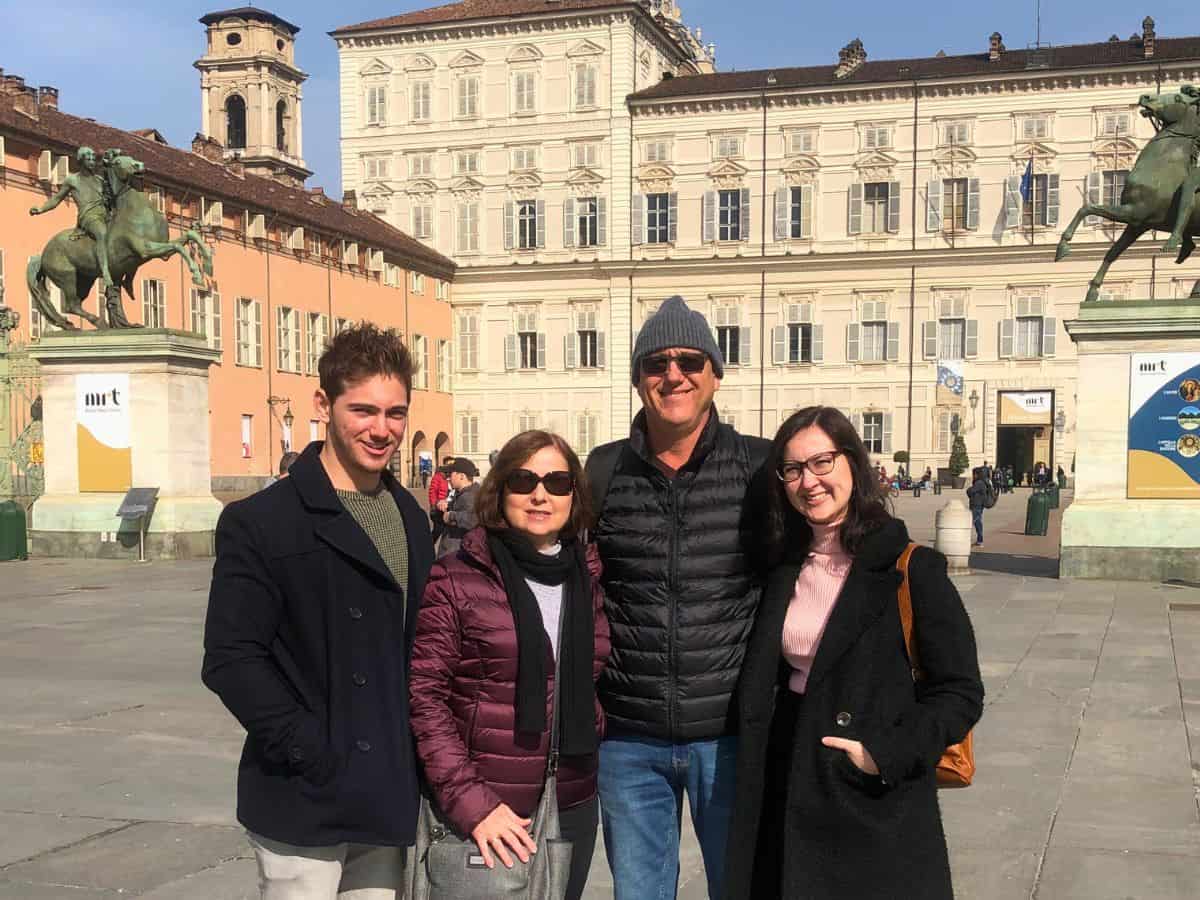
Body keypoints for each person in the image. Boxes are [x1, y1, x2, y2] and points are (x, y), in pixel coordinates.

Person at [202, 324, 434, 899]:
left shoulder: (410, 517)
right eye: (364, 410)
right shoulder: (260, 520)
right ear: (323, 404)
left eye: (395, 413)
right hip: (303, 790)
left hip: (385, 788)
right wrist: (308, 745)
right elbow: (230, 657)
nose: (382, 429)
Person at [723, 405, 983, 900]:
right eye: (794, 469)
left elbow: (960, 691)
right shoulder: (784, 565)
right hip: (787, 773)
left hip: (871, 792)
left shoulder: (911, 569)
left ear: (852, 464)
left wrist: (882, 754)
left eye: (822, 462)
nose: (809, 481)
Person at [584, 295, 770, 900]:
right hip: (629, 738)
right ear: (638, 378)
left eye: (690, 360)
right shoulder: (604, 470)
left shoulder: (758, 467)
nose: (674, 375)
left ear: (716, 372)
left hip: (728, 737)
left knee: (739, 887)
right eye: (656, 363)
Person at [410, 430, 611, 900]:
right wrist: (472, 804)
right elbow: (426, 699)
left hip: (574, 802)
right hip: (490, 805)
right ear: (500, 491)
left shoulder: (588, 577)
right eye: (524, 480)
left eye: (558, 483)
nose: (541, 494)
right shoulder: (456, 578)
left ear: (573, 496)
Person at [29, 146, 116, 289]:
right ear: (81, 161)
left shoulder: (99, 180)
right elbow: (56, 200)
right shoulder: (72, 180)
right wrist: (40, 209)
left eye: (93, 159)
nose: (92, 162)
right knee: (102, 234)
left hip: (105, 214)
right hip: (89, 217)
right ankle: (105, 272)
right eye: (88, 159)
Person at [436, 456, 480, 557]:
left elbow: (474, 519)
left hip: (456, 556)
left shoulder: (469, 496)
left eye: (450, 474)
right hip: (453, 553)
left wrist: (451, 516)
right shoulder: (461, 493)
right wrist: (443, 508)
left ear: (461, 476)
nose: (448, 478)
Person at [428, 456, 453, 544]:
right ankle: (428, 547)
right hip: (439, 508)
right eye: (449, 464)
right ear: (445, 464)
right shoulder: (438, 476)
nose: (451, 465)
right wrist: (434, 505)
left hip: (450, 507)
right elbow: (432, 491)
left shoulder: (454, 475)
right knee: (438, 530)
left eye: (453, 464)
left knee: (449, 532)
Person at [966, 466, 990, 547]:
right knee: (977, 522)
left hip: (977, 505)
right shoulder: (981, 482)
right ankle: (980, 540)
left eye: (974, 474)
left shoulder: (979, 483)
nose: (973, 476)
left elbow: (970, 491)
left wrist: (969, 490)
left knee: (972, 521)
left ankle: (967, 539)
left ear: (978, 474)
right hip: (978, 505)